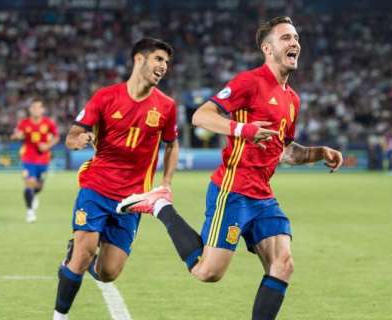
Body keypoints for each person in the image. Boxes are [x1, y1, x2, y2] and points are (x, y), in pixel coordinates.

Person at [118, 17, 343, 320]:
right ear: (267, 48)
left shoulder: (292, 100)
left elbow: (283, 151)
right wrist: (243, 129)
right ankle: (160, 206)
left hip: (263, 196)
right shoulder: (250, 82)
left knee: (283, 264)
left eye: (296, 37)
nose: (294, 43)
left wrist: (319, 152)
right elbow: (201, 116)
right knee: (208, 272)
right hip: (233, 189)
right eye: (286, 38)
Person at [52, 38, 179, 320]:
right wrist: (79, 139)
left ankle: (77, 254)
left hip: (132, 199)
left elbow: (172, 144)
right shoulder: (105, 97)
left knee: (108, 273)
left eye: (167, 63)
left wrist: (166, 182)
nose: (163, 67)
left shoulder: (167, 106)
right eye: (158, 59)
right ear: (139, 60)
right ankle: (59, 316)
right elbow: (71, 135)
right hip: (96, 187)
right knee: (83, 254)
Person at [11, 98, 59, 223]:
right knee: (29, 182)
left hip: (43, 159)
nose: (36, 110)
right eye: (33, 107)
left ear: (43, 109)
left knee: (38, 187)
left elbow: (56, 137)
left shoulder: (48, 123)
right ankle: (30, 211)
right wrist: (17, 136)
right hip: (28, 158)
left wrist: (48, 146)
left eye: (38, 107)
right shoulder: (24, 123)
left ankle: (34, 195)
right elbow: (16, 135)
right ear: (30, 109)